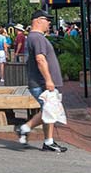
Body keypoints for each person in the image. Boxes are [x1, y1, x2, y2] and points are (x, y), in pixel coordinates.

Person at [15, 10, 68, 152]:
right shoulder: (37, 38)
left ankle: (48, 141)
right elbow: (40, 59)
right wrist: (48, 80)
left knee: (50, 111)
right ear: (38, 20)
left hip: (40, 82)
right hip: (41, 82)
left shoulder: (34, 37)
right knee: (49, 109)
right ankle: (24, 128)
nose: (49, 23)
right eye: (47, 19)